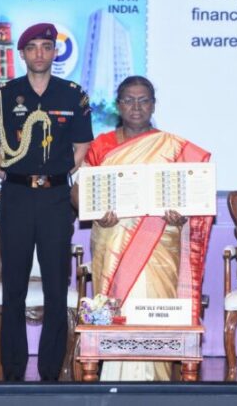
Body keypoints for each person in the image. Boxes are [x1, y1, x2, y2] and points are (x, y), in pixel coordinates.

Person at [72, 76, 214, 381]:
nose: (136, 107)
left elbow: (193, 198)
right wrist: (94, 211)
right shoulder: (100, 146)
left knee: (155, 306)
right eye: (128, 100)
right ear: (118, 105)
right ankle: (113, 383)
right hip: (113, 239)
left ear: (153, 105)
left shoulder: (173, 147)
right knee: (118, 309)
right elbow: (78, 191)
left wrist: (181, 216)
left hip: (159, 241)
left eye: (143, 100)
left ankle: (156, 384)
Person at [0, 22, 93, 381]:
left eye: (46, 47)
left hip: (56, 200)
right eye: (32, 48)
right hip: (16, 197)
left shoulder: (72, 95)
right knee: (12, 286)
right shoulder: (2, 96)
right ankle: (13, 372)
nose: (40, 54)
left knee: (56, 287)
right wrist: (17, 177)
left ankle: (50, 372)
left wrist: (51, 176)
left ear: (55, 52)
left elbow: (81, 149)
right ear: (22, 54)